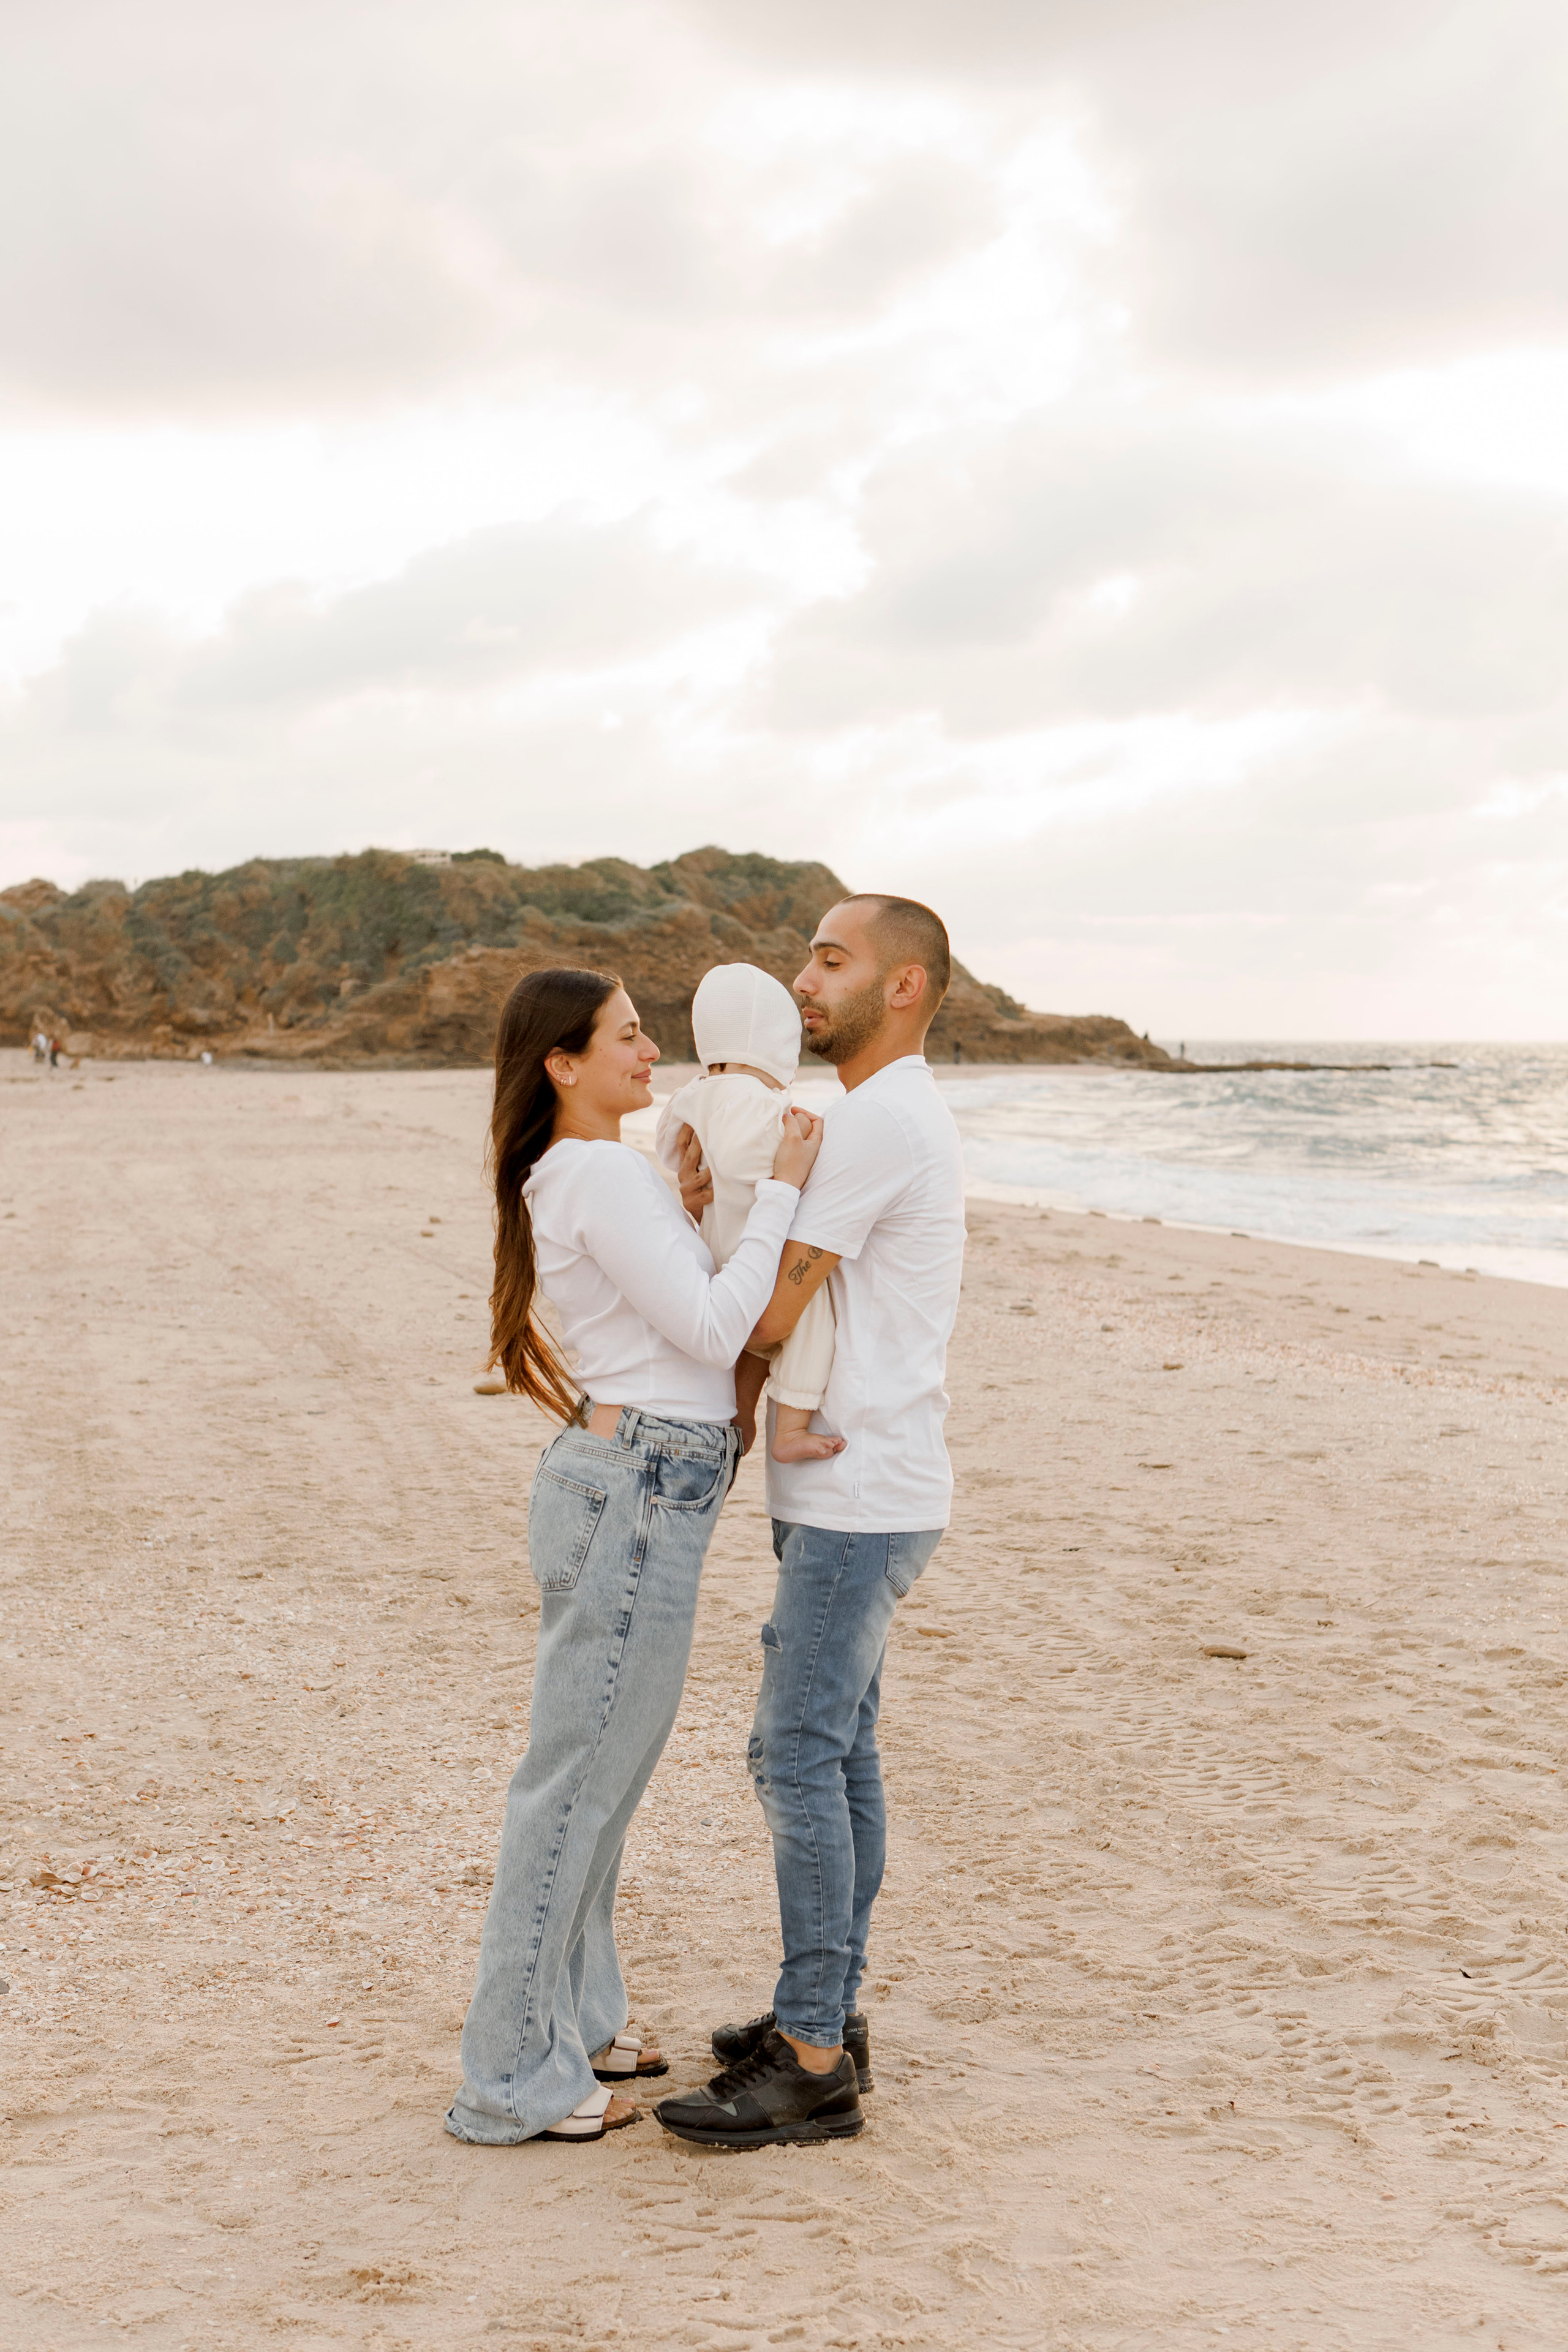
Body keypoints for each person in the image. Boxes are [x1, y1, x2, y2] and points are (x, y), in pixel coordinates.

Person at [444, 965, 824, 2147]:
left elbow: (668, 1301)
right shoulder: (596, 1170)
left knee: (601, 1779)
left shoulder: (597, 1169)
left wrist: (684, 1192)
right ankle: (509, 2074)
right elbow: (714, 1327)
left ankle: (586, 2017)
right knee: (574, 1787)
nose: (652, 1051)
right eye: (627, 1035)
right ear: (563, 1063)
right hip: (640, 1488)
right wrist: (783, 1200)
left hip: (642, 1479)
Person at [655, 894, 966, 2151]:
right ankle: (826, 2010)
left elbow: (777, 1303)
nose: (804, 981)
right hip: (859, 1484)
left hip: (857, 1490)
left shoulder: (882, 1116)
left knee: (791, 1754)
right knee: (838, 1755)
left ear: (903, 984)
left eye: (830, 960)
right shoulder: (866, 1114)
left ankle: (811, 2054)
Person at [654, 963, 842, 1467]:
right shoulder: (764, 1106)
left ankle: (742, 1414)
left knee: (746, 1349)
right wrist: (801, 1133)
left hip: (715, 1252)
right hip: (760, 1250)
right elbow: (770, 1154)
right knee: (812, 1317)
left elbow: (674, 1153)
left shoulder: (691, 1096)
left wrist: (696, 1167)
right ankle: (794, 1424)